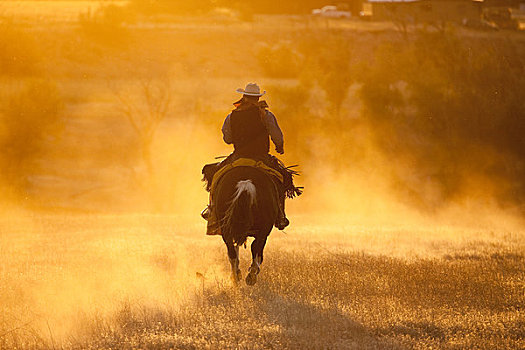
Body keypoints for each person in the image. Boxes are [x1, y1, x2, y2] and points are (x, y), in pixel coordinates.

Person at [202, 83, 298, 230]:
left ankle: (212, 209)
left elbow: (227, 138)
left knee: (214, 175)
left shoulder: (232, 116)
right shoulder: (266, 115)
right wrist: (280, 147)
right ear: (258, 97)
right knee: (283, 177)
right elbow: (277, 136)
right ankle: (280, 215)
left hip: (238, 157)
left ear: (244, 97)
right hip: (261, 158)